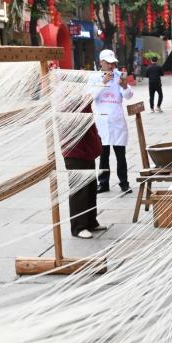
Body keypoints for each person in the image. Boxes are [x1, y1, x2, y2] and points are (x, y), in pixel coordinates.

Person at [88, 49, 134, 193]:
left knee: (120, 155)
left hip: (117, 120)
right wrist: (103, 83)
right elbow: (91, 96)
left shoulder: (119, 75)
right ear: (101, 62)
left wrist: (124, 86)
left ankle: (124, 183)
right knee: (104, 155)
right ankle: (103, 183)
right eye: (108, 63)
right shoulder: (94, 77)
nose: (111, 66)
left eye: (113, 63)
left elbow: (129, 96)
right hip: (102, 121)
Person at [61, 102, 107, 239]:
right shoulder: (68, 102)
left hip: (87, 150)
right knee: (79, 190)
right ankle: (78, 226)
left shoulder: (83, 101)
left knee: (91, 187)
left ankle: (91, 221)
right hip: (75, 150)